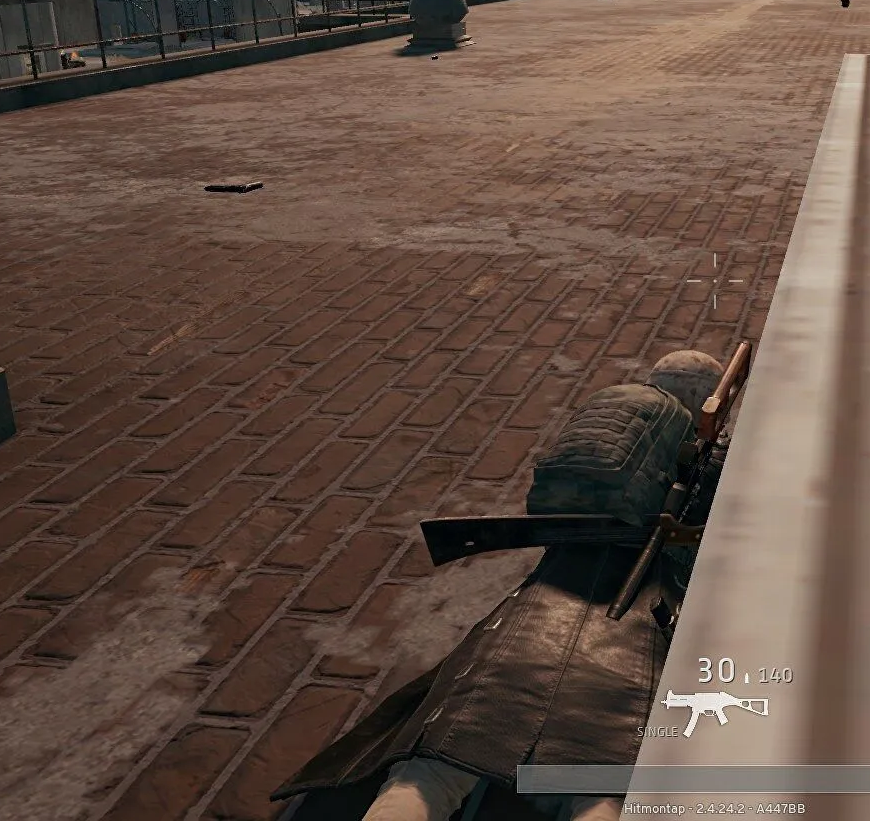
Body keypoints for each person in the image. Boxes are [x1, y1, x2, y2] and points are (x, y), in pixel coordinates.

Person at [275, 350, 729, 821]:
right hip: (637, 617)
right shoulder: (709, 462)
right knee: (600, 781)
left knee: (438, 762)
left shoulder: (619, 424)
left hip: (542, 605)